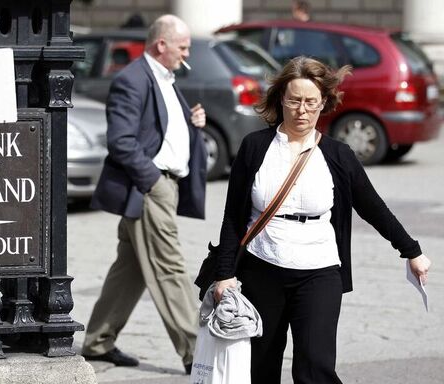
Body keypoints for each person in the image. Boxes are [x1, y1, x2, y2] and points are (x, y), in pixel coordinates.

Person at [212, 56, 431, 383]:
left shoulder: (338, 155)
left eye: (311, 102)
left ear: (324, 103)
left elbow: (372, 207)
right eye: (295, 100)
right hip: (262, 267)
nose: (302, 110)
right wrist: (225, 274)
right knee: (259, 367)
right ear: (280, 100)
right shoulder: (255, 147)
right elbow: (234, 216)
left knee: (315, 367)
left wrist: (411, 251)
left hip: (319, 271)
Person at [82, 14, 207, 375]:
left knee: (130, 268)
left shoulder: (165, 77)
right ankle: (197, 353)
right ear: (161, 44)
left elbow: (160, 128)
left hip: (163, 184)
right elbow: (120, 141)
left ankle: (97, 341)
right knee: (170, 267)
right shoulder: (132, 79)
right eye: (183, 46)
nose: (187, 53)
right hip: (152, 188)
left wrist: (192, 120)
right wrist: (152, 180)